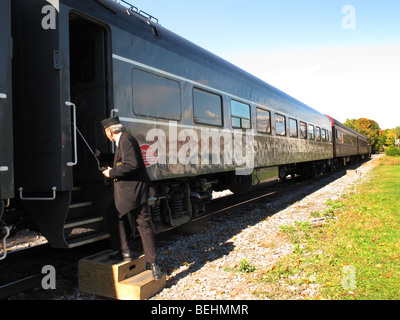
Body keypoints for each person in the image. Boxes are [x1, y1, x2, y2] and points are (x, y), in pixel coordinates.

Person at [99, 116, 161, 280]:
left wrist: (111, 173)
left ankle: (124, 252)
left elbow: (132, 164)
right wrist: (103, 155)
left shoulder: (125, 140)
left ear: (108, 132)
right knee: (142, 225)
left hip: (132, 192)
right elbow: (121, 157)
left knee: (116, 215)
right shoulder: (125, 139)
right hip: (135, 191)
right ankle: (152, 264)